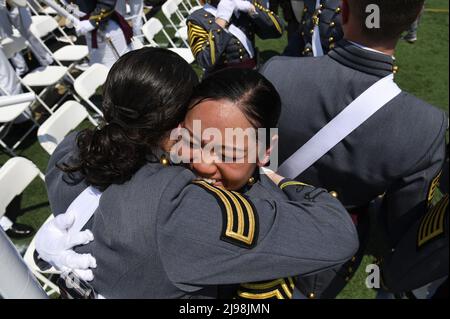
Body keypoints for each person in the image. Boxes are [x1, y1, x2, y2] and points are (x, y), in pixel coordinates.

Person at [34, 47, 358, 298]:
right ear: (177, 123)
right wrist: (277, 180)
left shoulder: (71, 152)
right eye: (192, 138)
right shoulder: (181, 208)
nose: (202, 163)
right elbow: (338, 235)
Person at [260, 0, 447, 298]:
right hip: (329, 253)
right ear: (415, 18)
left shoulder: (276, 72)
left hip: (257, 225)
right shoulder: (426, 125)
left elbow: (247, 157)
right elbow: (401, 224)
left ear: (343, 12)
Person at [186, 0, 284, 76]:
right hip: (225, 82)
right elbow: (205, 61)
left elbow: (277, 31)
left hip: (254, 71)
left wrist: (251, 9)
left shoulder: (241, 7)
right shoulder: (197, 19)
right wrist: (221, 21)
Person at [44, 0, 133, 67]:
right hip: (88, 27)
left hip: (105, 28)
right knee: (99, 67)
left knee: (119, 67)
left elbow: (107, 2)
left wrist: (93, 22)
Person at [0, 0, 53, 76]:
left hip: (14, 3)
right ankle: (21, 68)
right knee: (7, 39)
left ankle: (46, 60)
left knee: (28, 32)